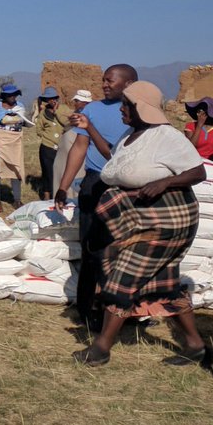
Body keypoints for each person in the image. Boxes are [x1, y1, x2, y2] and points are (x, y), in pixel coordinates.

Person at [71, 81, 208, 367]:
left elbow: (198, 172)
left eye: (127, 105)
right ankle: (195, 345)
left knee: (122, 280)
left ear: (141, 108)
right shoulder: (129, 136)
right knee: (164, 283)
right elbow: (113, 160)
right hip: (138, 219)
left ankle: (101, 348)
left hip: (167, 219)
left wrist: (166, 182)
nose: (121, 109)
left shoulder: (166, 136)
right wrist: (89, 128)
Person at [55, 65, 138, 332]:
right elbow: (80, 148)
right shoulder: (92, 110)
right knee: (91, 247)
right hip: (95, 183)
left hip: (127, 185)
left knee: (125, 249)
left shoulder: (138, 112)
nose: (104, 85)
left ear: (128, 84)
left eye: (110, 81)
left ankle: (123, 308)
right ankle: (87, 308)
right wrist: (63, 187)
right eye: (103, 80)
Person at [0, 84, 33, 207]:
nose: (12, 97)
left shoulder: (20, 106)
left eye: (14, 94)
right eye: (9, 95)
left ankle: (17, 200)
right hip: (1, 140)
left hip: (16, 141)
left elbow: (24, 121)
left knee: (16, 169)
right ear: (4, 96)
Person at [52, 90, 92, 195]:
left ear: (84, 102)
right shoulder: (76, 114)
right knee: (61, 174)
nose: (75, 103)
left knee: (74, 177)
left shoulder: (88, 117)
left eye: (77, 101)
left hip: (75, 155)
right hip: (64, 154)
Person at [33, 87, 70, 200]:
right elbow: (39, 129)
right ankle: (47, 196)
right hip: (47, 146)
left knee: (62, 171)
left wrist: (56, 111)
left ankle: (60, 195)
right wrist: (46, 136)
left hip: (62, 146)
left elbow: (68, 123)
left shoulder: (64, 109)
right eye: (48, 98)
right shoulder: (43, 113)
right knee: (47, 172)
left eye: (53, 98)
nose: (51, 100)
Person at [182, 97, 213, 161]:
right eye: (199, 110)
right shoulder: (190, 126)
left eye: (204, 110)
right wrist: (199, 125)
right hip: (196, 162)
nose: (201, 113)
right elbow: (192, 146)